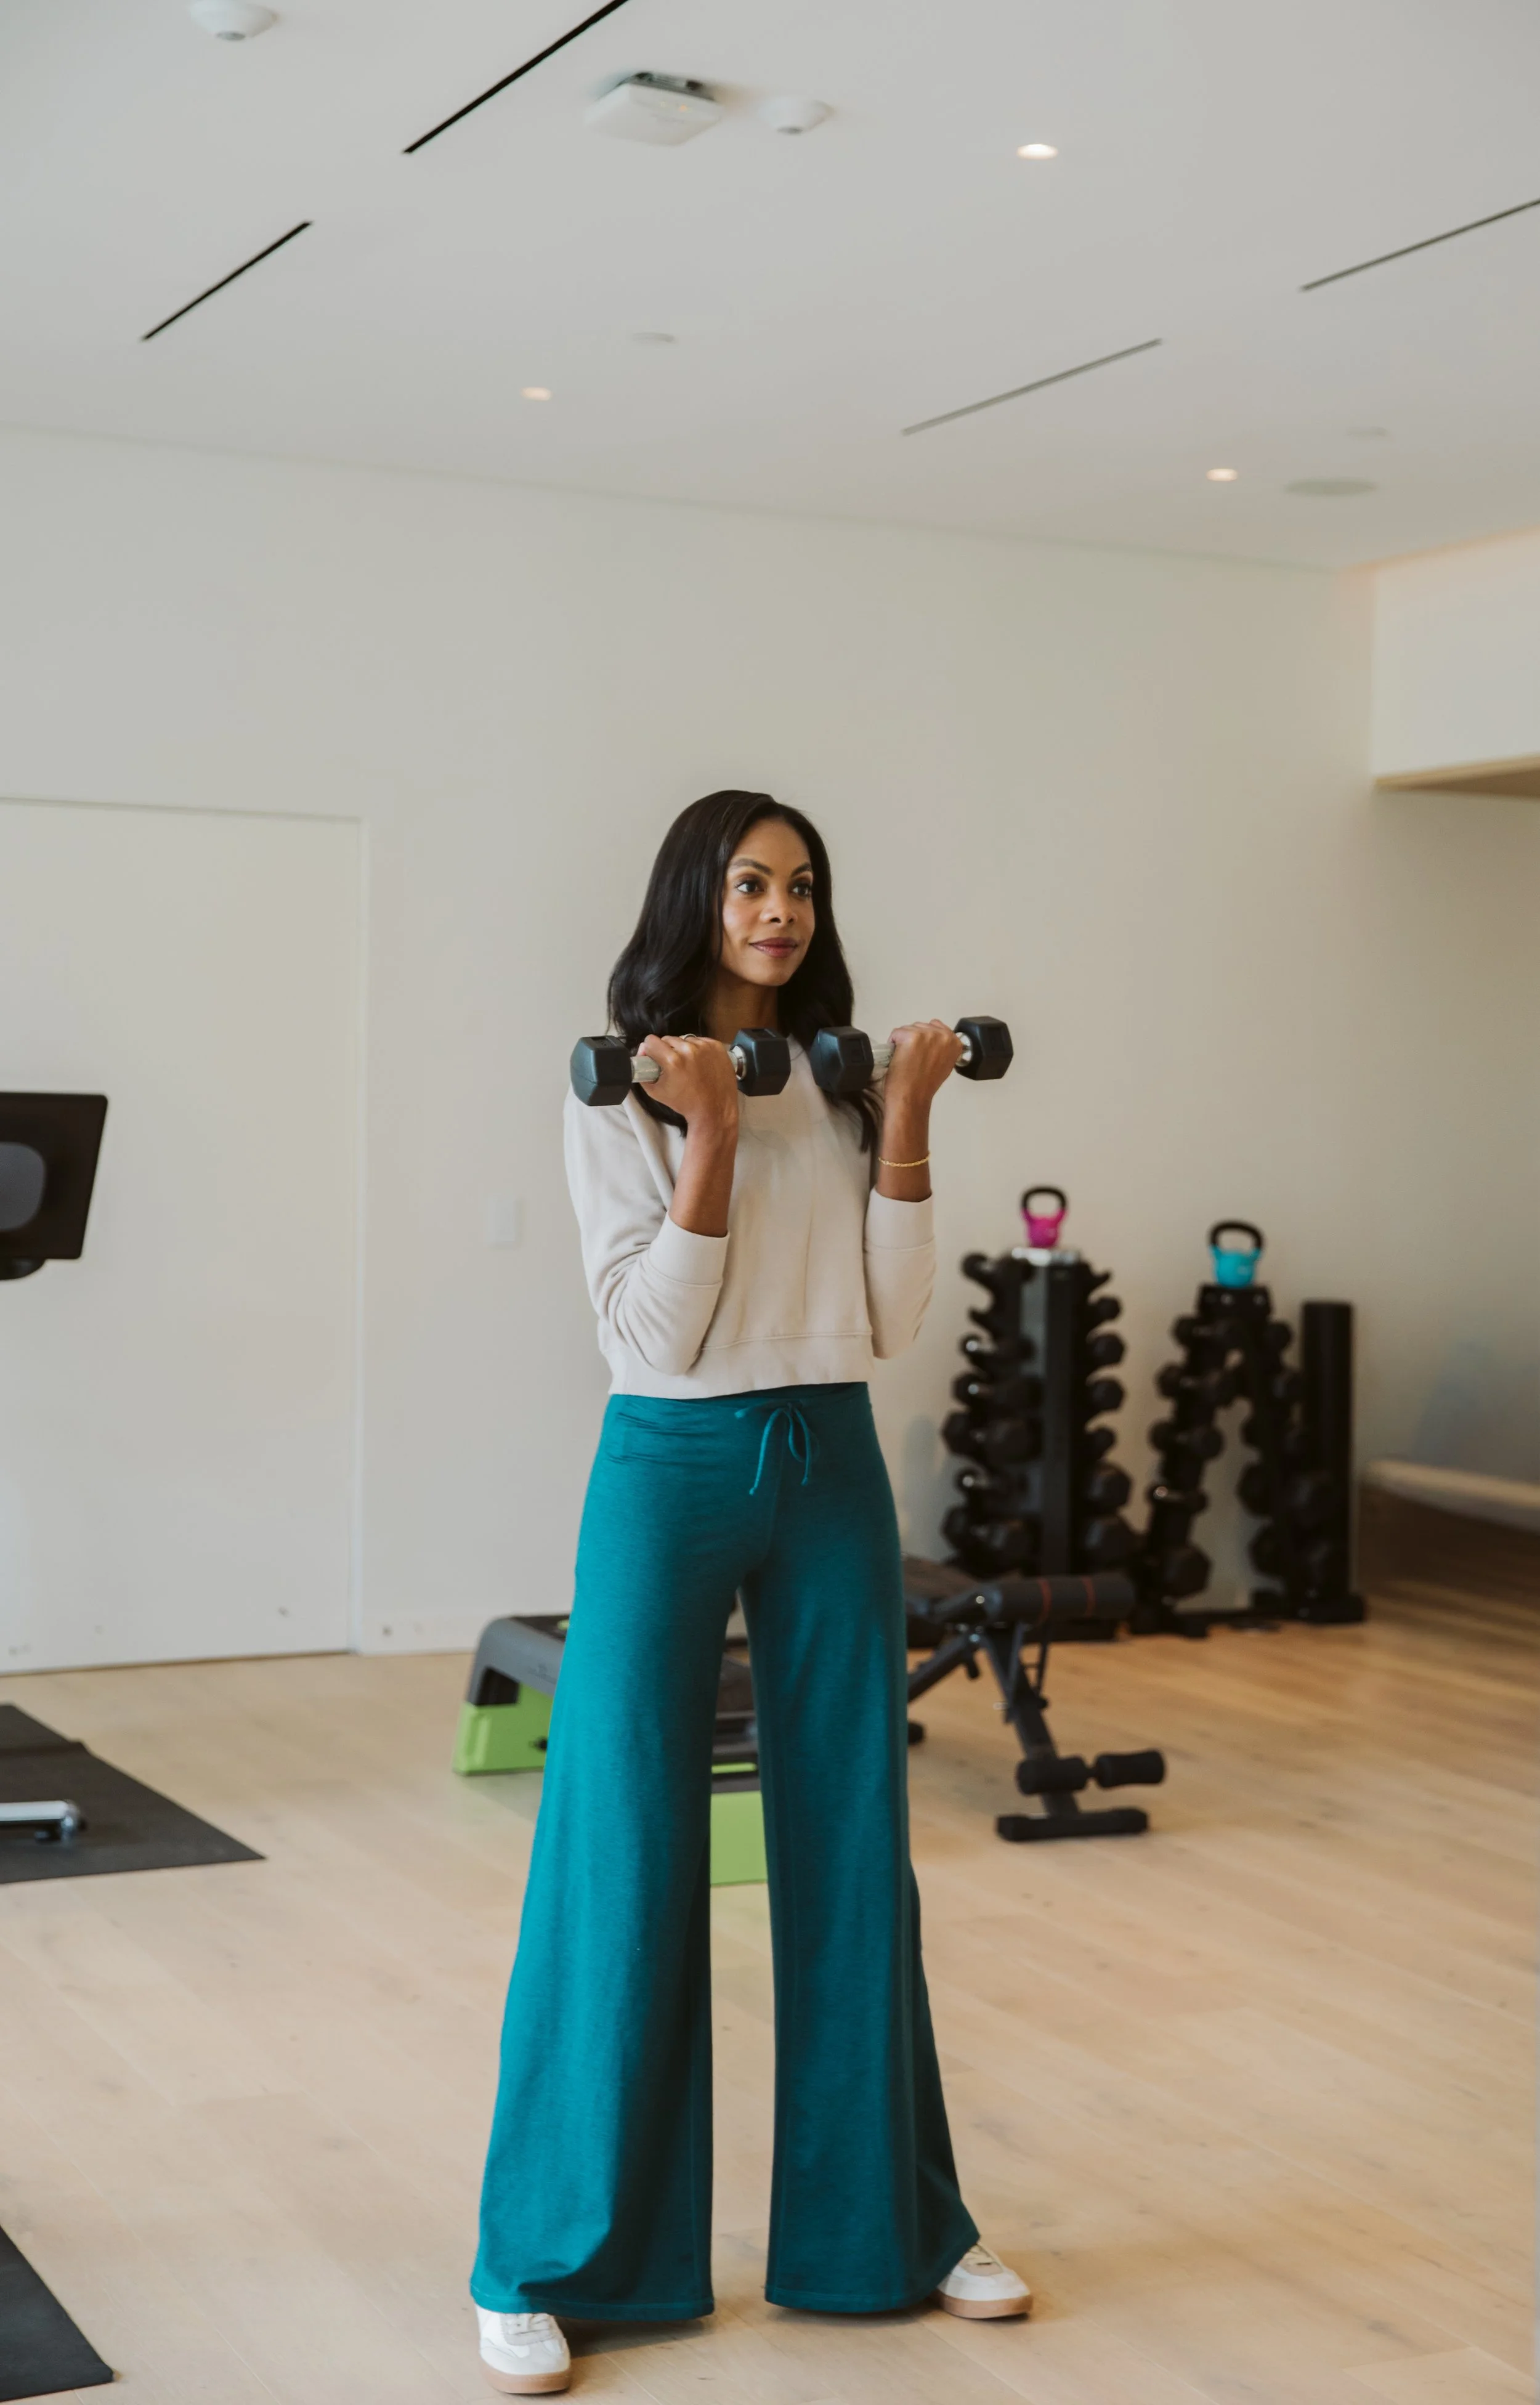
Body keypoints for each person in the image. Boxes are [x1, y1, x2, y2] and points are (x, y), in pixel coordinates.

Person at [471, 790, 1030, 2395]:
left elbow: (883, 1310)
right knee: (623, 1847)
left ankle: (894, 2233)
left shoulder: (841, 1081)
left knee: (855, 1842)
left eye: (798, 886)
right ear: (691, 902)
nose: (776, 911)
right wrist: (709, 1134)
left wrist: (910, 1116)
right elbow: (653, 1339)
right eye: (745, 886)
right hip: (670, 1468)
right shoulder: (622, 1085)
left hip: (831, 1459)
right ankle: (545, 2257)